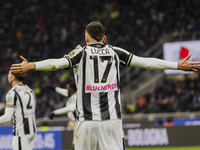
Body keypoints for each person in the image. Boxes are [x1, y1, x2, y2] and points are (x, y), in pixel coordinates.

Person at [10, 22, 200, 150]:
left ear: (86, 38)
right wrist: (177, 65)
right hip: (112, 122)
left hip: (86, 123)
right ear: (104, 38)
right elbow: (146, 62)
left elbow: (56, 63)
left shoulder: (80, 53)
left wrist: (32, 65)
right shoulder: (116, 52)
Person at [0, 71, 37, 150]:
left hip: (21, 133)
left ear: (13, 77)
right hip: (32, 131)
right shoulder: (30, 90)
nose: (8, 76)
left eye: (9, 74)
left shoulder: (12, 93)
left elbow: (7, 117)